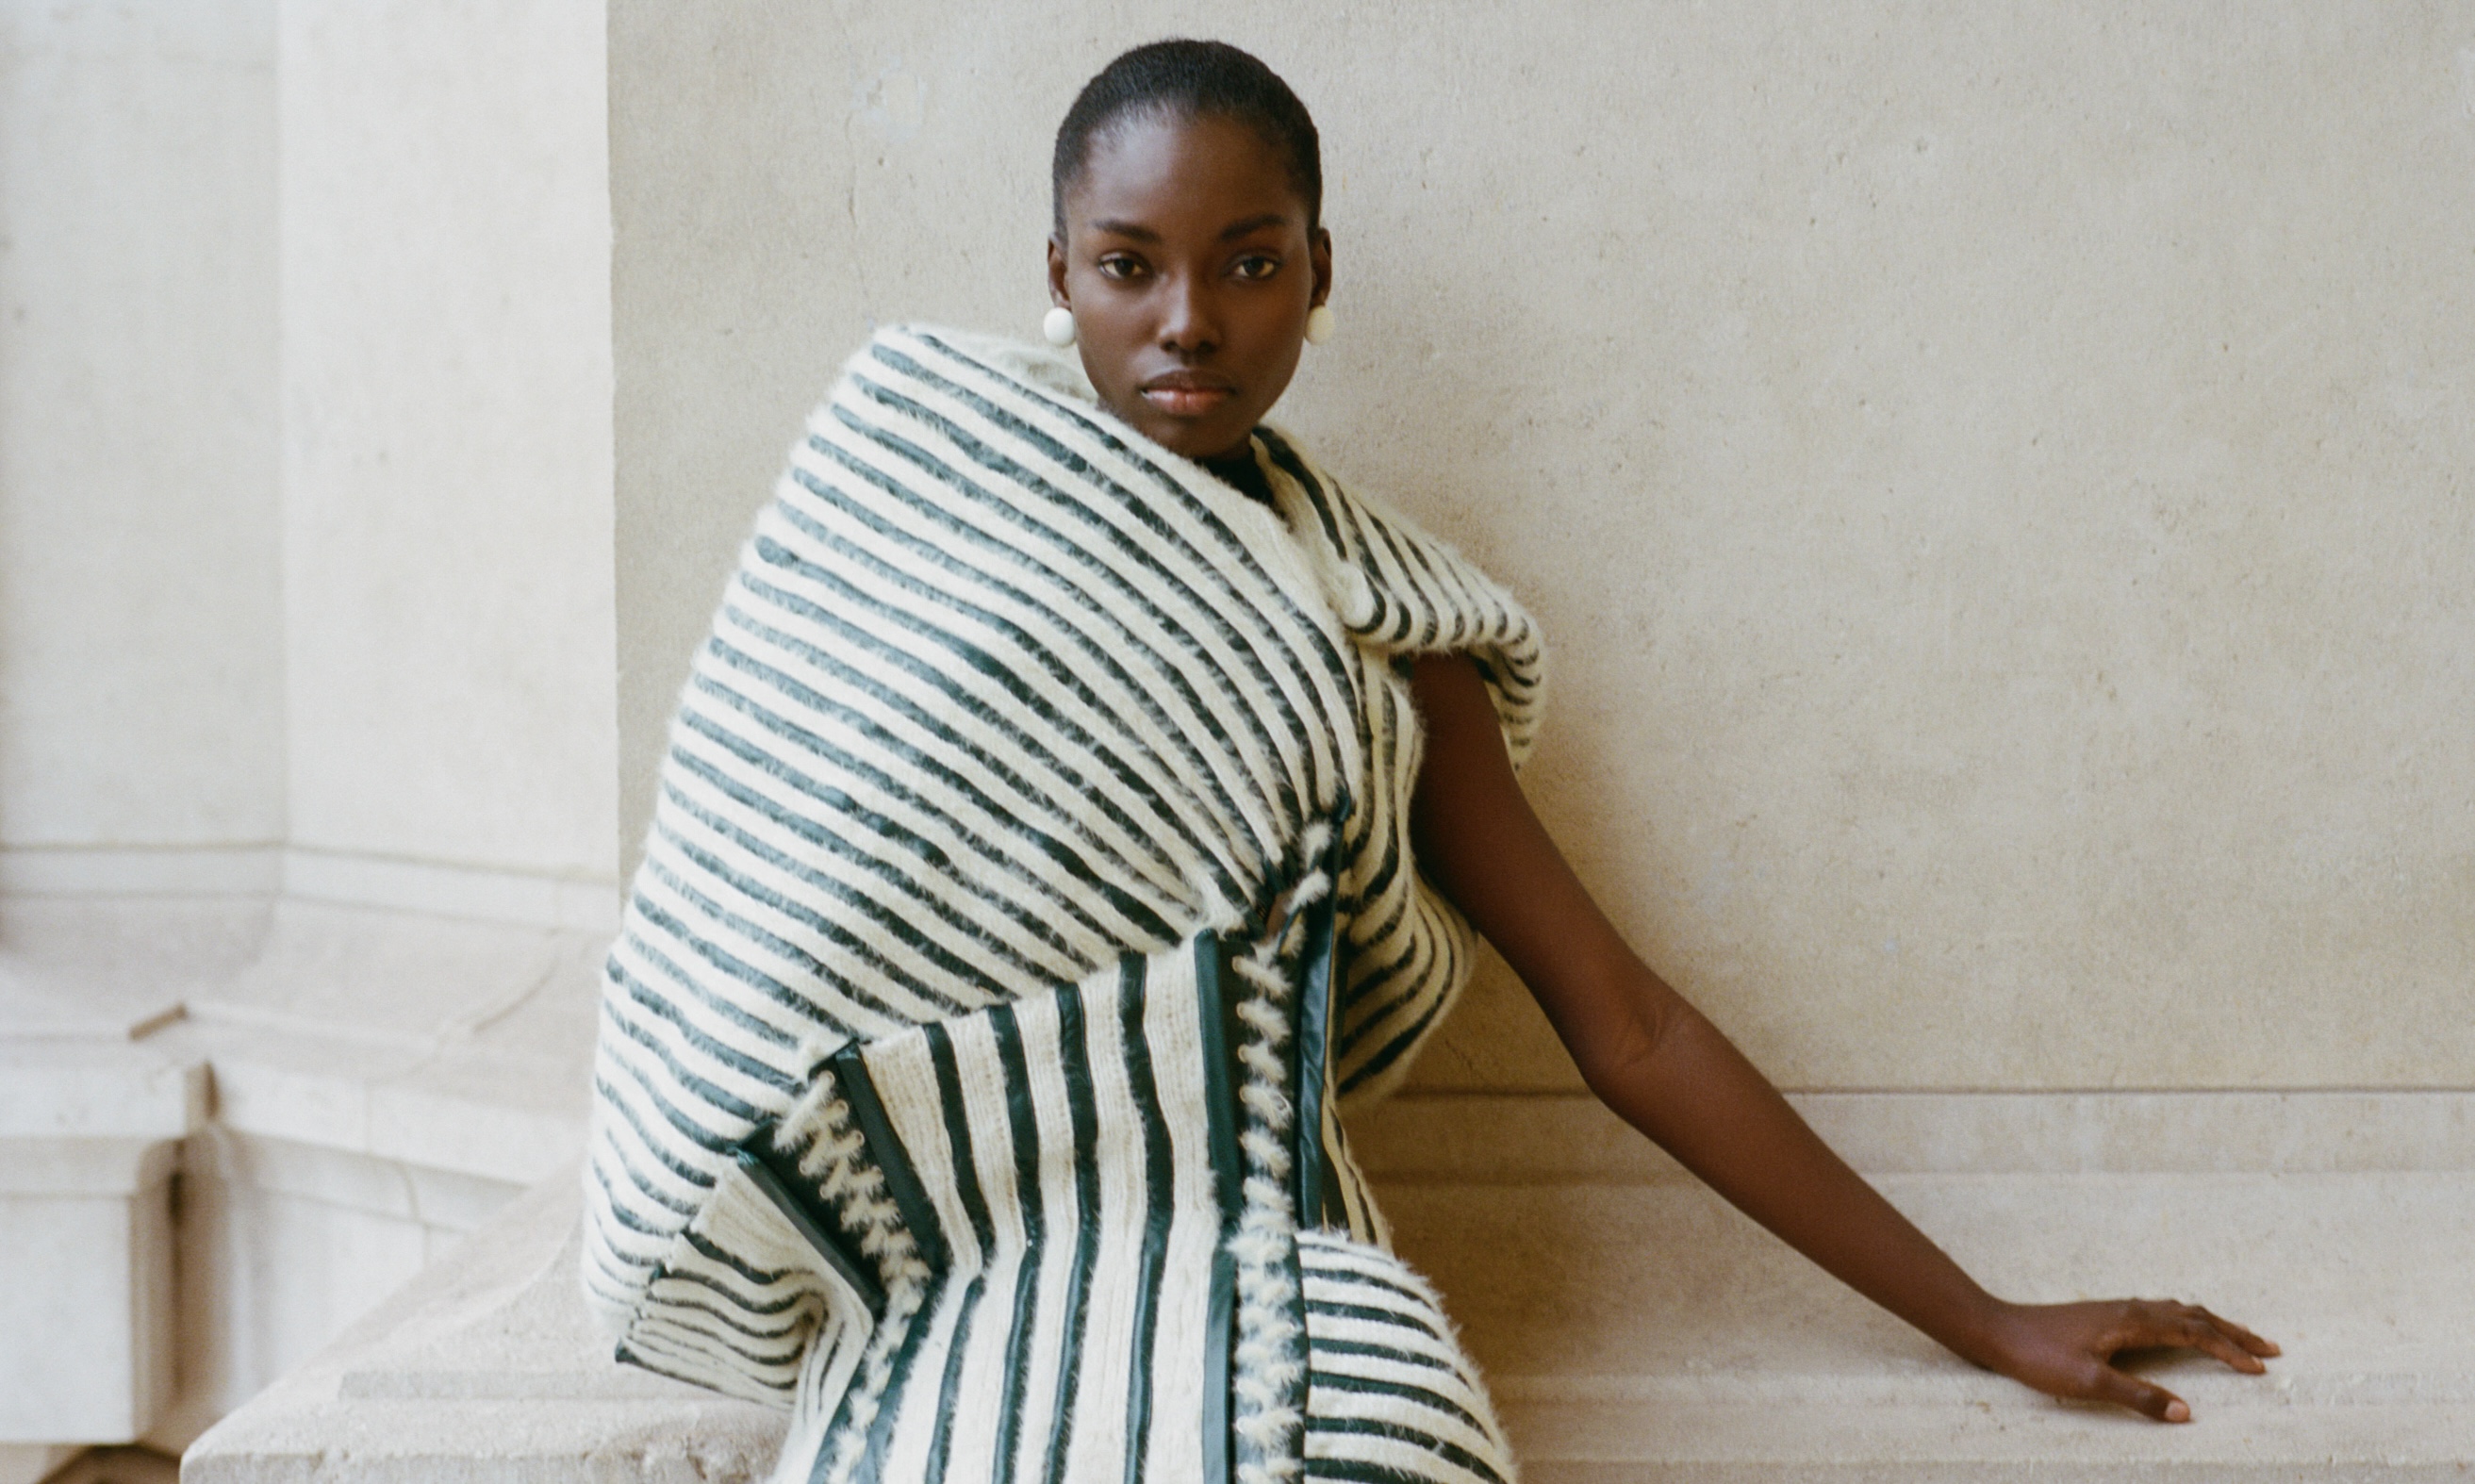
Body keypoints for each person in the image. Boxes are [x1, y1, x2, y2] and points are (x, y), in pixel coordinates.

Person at [581, 38, 2277, 1484]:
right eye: (1127, 264)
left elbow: (1628, 1021)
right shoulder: (911, 493)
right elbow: (741, 908)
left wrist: (1981, 1315)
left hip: (1271, 1316)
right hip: (944, 1307)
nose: (1188, 319)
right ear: (1054, 272)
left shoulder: (1382, 630)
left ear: (1320, 271)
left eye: (1247, 261)